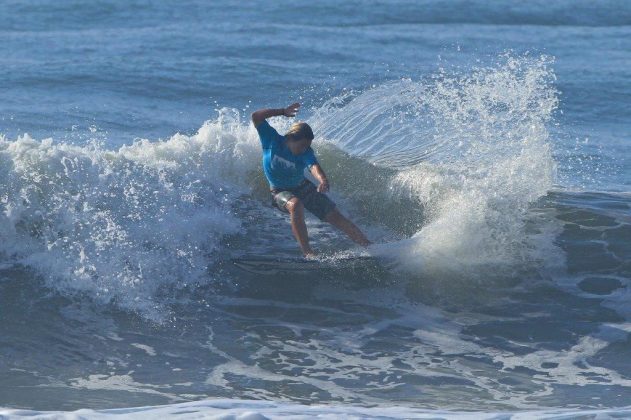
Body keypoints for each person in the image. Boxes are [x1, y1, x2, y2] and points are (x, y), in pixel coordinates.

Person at [251, 102, 371, 258]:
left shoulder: (306, 152)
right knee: (295, 205)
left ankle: (369, 246)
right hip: (279, 191)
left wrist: (323, 180)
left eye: (306, 146)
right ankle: (308, 253)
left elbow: (313, 166)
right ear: (290, 138)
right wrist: (281, 111)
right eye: (301, 145)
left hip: (302, 187)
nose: (304, 149)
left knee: (335, 216)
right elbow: (256, 116)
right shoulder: (271, 140)